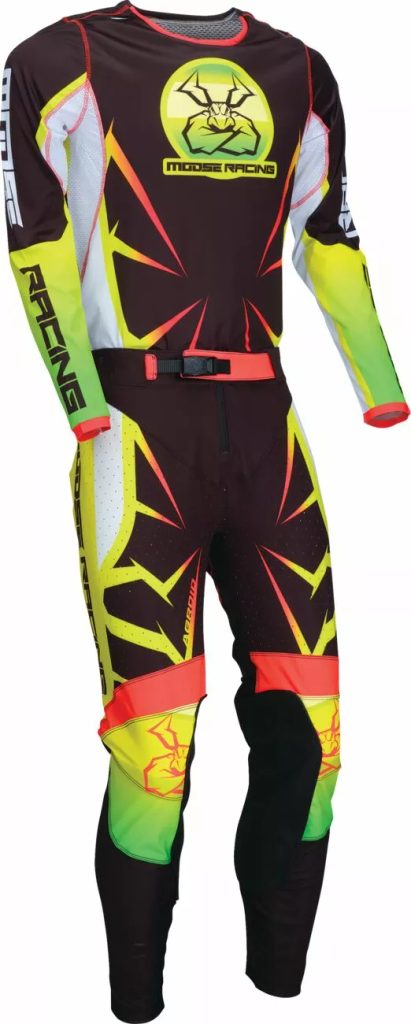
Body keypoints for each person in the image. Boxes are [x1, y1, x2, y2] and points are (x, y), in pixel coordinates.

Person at [1, 5, 409, 1022]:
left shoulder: (301, 70)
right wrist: (77, 397)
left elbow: (329, 236)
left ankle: (279, 983)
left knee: (316, 738)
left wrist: (379, 380)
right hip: (133, 430)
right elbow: (33, 239)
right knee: (155, 745)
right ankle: (136, 998)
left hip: (269, 431)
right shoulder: (59, 59)